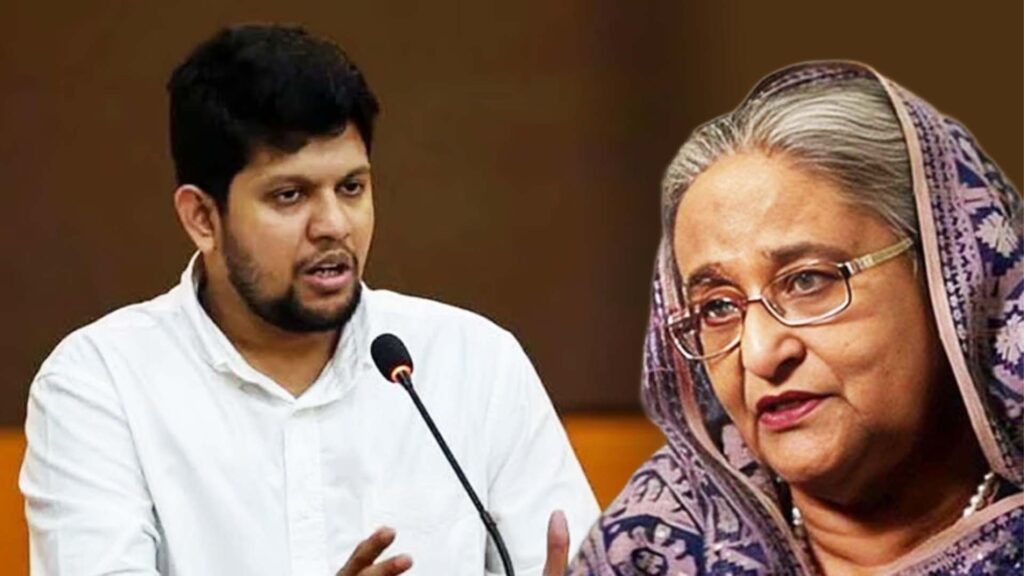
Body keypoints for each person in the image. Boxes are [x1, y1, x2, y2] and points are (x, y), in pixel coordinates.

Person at [19, 24, 599, 575]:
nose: (334, 225)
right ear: (202, 218)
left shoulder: (475, 364)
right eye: (289, 195)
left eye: (352, 188)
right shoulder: (100, 385)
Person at [566, 61, 1023, 574]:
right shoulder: (648, 549)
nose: (760, 354)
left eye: (807, 281)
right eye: (717, 307)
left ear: (954, 280)